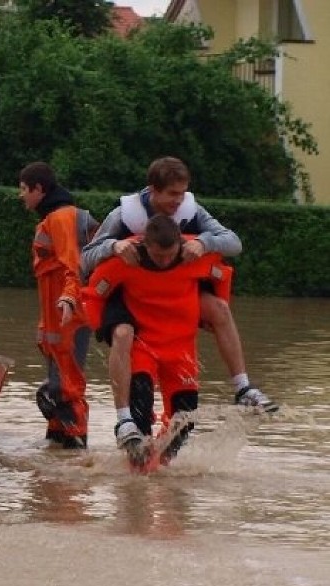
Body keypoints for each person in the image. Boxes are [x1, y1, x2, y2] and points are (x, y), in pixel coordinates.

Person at [81, 156, 278, 452]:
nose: (179, 200)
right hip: (128, 288)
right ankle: (125, 421)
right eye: (172, 194)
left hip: (177, 289)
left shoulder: (191, 210)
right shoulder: (124, 216)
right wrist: (113, 245)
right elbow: (85, 258)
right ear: (153, 190)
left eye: (182, 193)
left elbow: (234, 242)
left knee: (219, 309)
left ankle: (243, 387)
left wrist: (205, 243)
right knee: (123, 333)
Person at [83, 214, 234, 465]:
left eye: (170, 255)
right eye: (158, 256)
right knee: (139, 420)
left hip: (181, 350)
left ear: (180, 246)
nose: (164, 262)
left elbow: (222, 276)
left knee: (185, 422)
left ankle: (159, 469)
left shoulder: (195, 255)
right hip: (142, 348)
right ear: (146, 247)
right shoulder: (126, 260)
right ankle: (136, 484)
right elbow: (94, 292)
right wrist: (105, 327)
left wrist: (210, 314)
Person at [18, 162, 91, 450]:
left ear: (39, 189)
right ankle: (59, 459)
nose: (21, 195)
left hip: (67, 316)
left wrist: (70, 300)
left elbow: (73, 265)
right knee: (60, 388)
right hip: (58, 317)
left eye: (24, 189)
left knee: (65, 389)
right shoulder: (55, 217)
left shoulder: (61, 218)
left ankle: (76, 454)